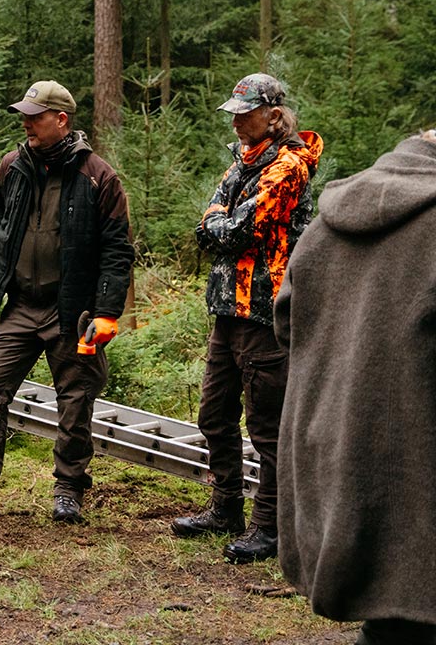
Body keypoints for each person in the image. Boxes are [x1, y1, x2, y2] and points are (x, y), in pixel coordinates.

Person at [0, 80, 134, 524]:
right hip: (21, 304)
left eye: (34, 117)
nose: (26, 124)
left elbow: (118, 250)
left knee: (75, 402)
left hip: (72, 310)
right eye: (23, 115)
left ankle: (68, 491)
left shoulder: (98, 176)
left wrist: (105, 313)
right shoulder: (13, 165)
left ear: (60, 120)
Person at [275, 129, 436, 645]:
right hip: (417, 450)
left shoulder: (326, 223)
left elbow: (284, 323)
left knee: (387, 616)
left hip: (336, 442)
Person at [170, 73, 322, 564]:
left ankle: (270, 526)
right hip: (227, 308)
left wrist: (219, 223)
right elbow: (208, 224)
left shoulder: (289, 167)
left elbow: (235, 230)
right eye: (233, 112)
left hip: (266, 313)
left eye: (245, 112)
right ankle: (226, 510)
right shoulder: (243, 161)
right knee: (213, 416)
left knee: (267, 427)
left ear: (273, 116)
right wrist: (218, 222)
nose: (236, 121)